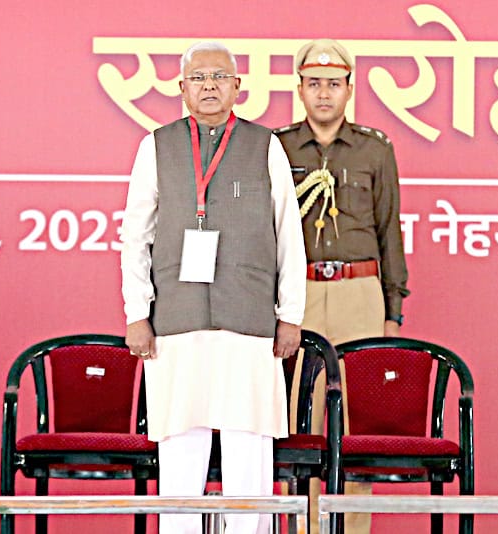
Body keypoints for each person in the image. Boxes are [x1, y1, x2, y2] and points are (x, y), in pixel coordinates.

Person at [120, 41, 306, 534]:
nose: (209, 86)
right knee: (180, 449)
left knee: (249, 448)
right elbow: (135, 236)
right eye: (199, 78)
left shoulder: (265, 145)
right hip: (176, 320)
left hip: (249, 319)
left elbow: (288, 232)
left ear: (237, 87)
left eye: (219, 77)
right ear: (181, 88)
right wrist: (137, 312)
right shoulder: (156, 146)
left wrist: (290, 315)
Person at [274, 38, 409, 534]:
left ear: (349, 89)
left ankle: (351, 529)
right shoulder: (278, 147)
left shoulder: (375, 148)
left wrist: (392, 311)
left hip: (359, 291)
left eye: (334, 83)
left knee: (356, 423)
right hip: (300, 293)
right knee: (302, 420)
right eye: (314, 84)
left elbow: (389, 230)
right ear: (300, 89)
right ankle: (305, 526)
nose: (324, 93)